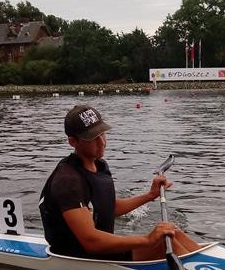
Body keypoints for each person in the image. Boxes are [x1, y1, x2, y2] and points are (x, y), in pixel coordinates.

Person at [40, 104, 199, 261]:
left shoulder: (99, 165)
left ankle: (206, 267)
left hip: (102, 249)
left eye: (102, 133)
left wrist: (150, 195)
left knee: (173, 232)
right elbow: (91, 242)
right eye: (92, 138)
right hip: (80, 255)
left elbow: (109, 208)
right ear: (72, 142)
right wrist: (147, 239)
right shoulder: (68, 182)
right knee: (165, 243)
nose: (101, 142)